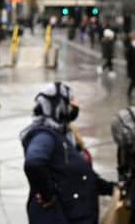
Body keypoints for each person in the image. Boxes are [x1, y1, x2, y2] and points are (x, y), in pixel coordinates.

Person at [20, 82, 115, 224]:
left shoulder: (65, 134)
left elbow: (77, 175)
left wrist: (110, 188)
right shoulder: (45, 136)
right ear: (58, 105)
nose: (74, 105)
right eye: (70, 101)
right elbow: (34, 162)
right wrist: (49, 196)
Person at [126, 31, 135, 100]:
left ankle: (129, 92)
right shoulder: (130, 46)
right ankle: (128, 93)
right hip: (132, 67)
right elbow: (129, 58)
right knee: (133, 81)